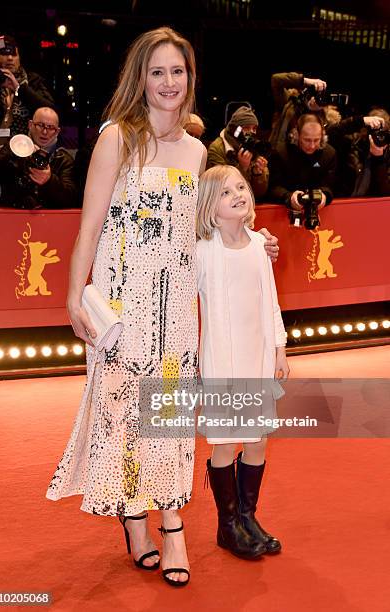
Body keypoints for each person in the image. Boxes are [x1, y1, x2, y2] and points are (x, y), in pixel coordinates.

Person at [45, 27, 279, 588]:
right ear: (140, 79)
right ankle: (134, 520)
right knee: (124, 418)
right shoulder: (115, 139)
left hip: (176, 309)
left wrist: (255, 239)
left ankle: (171, 524)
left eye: (177, 72)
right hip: (122, 306)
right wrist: (76, 295)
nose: (168, 83)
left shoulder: (199, 151)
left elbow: (205, 227)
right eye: (157, 72)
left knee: (170, 421)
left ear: (189, 80)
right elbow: (89, 226)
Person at [196, 164, 289, 560]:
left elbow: (270, 300)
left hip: (257, 359)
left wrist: (279, 348)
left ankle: (248, 517)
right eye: (224, 191)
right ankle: (227, 524)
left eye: (240, 186)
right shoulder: (201, 252)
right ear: (209, 208)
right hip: (222, 363)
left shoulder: (258, 246)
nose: (237, 194)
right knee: (224, 444)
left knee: (257, 440)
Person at [0, 107, 78, 209]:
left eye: (51, 127)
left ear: (57, 131)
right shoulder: (13, 147)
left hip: (49, 218)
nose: (44, 132)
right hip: (12, 213)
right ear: (30, 125)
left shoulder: (63, 159)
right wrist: (14, 157)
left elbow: (71, 199)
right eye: (40, 125)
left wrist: (49, 181)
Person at [0, 35, 54, 160]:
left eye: (14, 54)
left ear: (20, 58)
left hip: (23, 153)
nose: (10, 58)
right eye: (4, 53)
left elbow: (50, 112)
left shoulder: (32, 81)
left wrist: (19, 88)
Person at [268, 113, 337, 212]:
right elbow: (273, 187)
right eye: (307, 140)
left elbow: (329, 186)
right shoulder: (281, 152)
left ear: (322, 136)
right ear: (297, 135)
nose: (312, 146)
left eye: (316, 140)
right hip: (283, 209)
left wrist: (324, 196)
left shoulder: (329, 154)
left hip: (319, 210)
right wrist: (289, 197)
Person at [207, 106, 270, 200]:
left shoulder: (253, 147)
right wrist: (242, 167)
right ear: (234, 130)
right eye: (246, 128)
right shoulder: (217, 149)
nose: (251, 132)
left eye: (254, 128)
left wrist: (258, 174)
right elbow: (221, 188)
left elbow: (259, 194)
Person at [269, 71, 327, 148]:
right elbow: (276, 79)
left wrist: (317, 111)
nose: (314, 97)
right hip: (283, 152)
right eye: (312, 89)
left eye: (317, 93)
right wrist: (304, 80)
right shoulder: (290, 102)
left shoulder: (327, 116)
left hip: (312, 155)